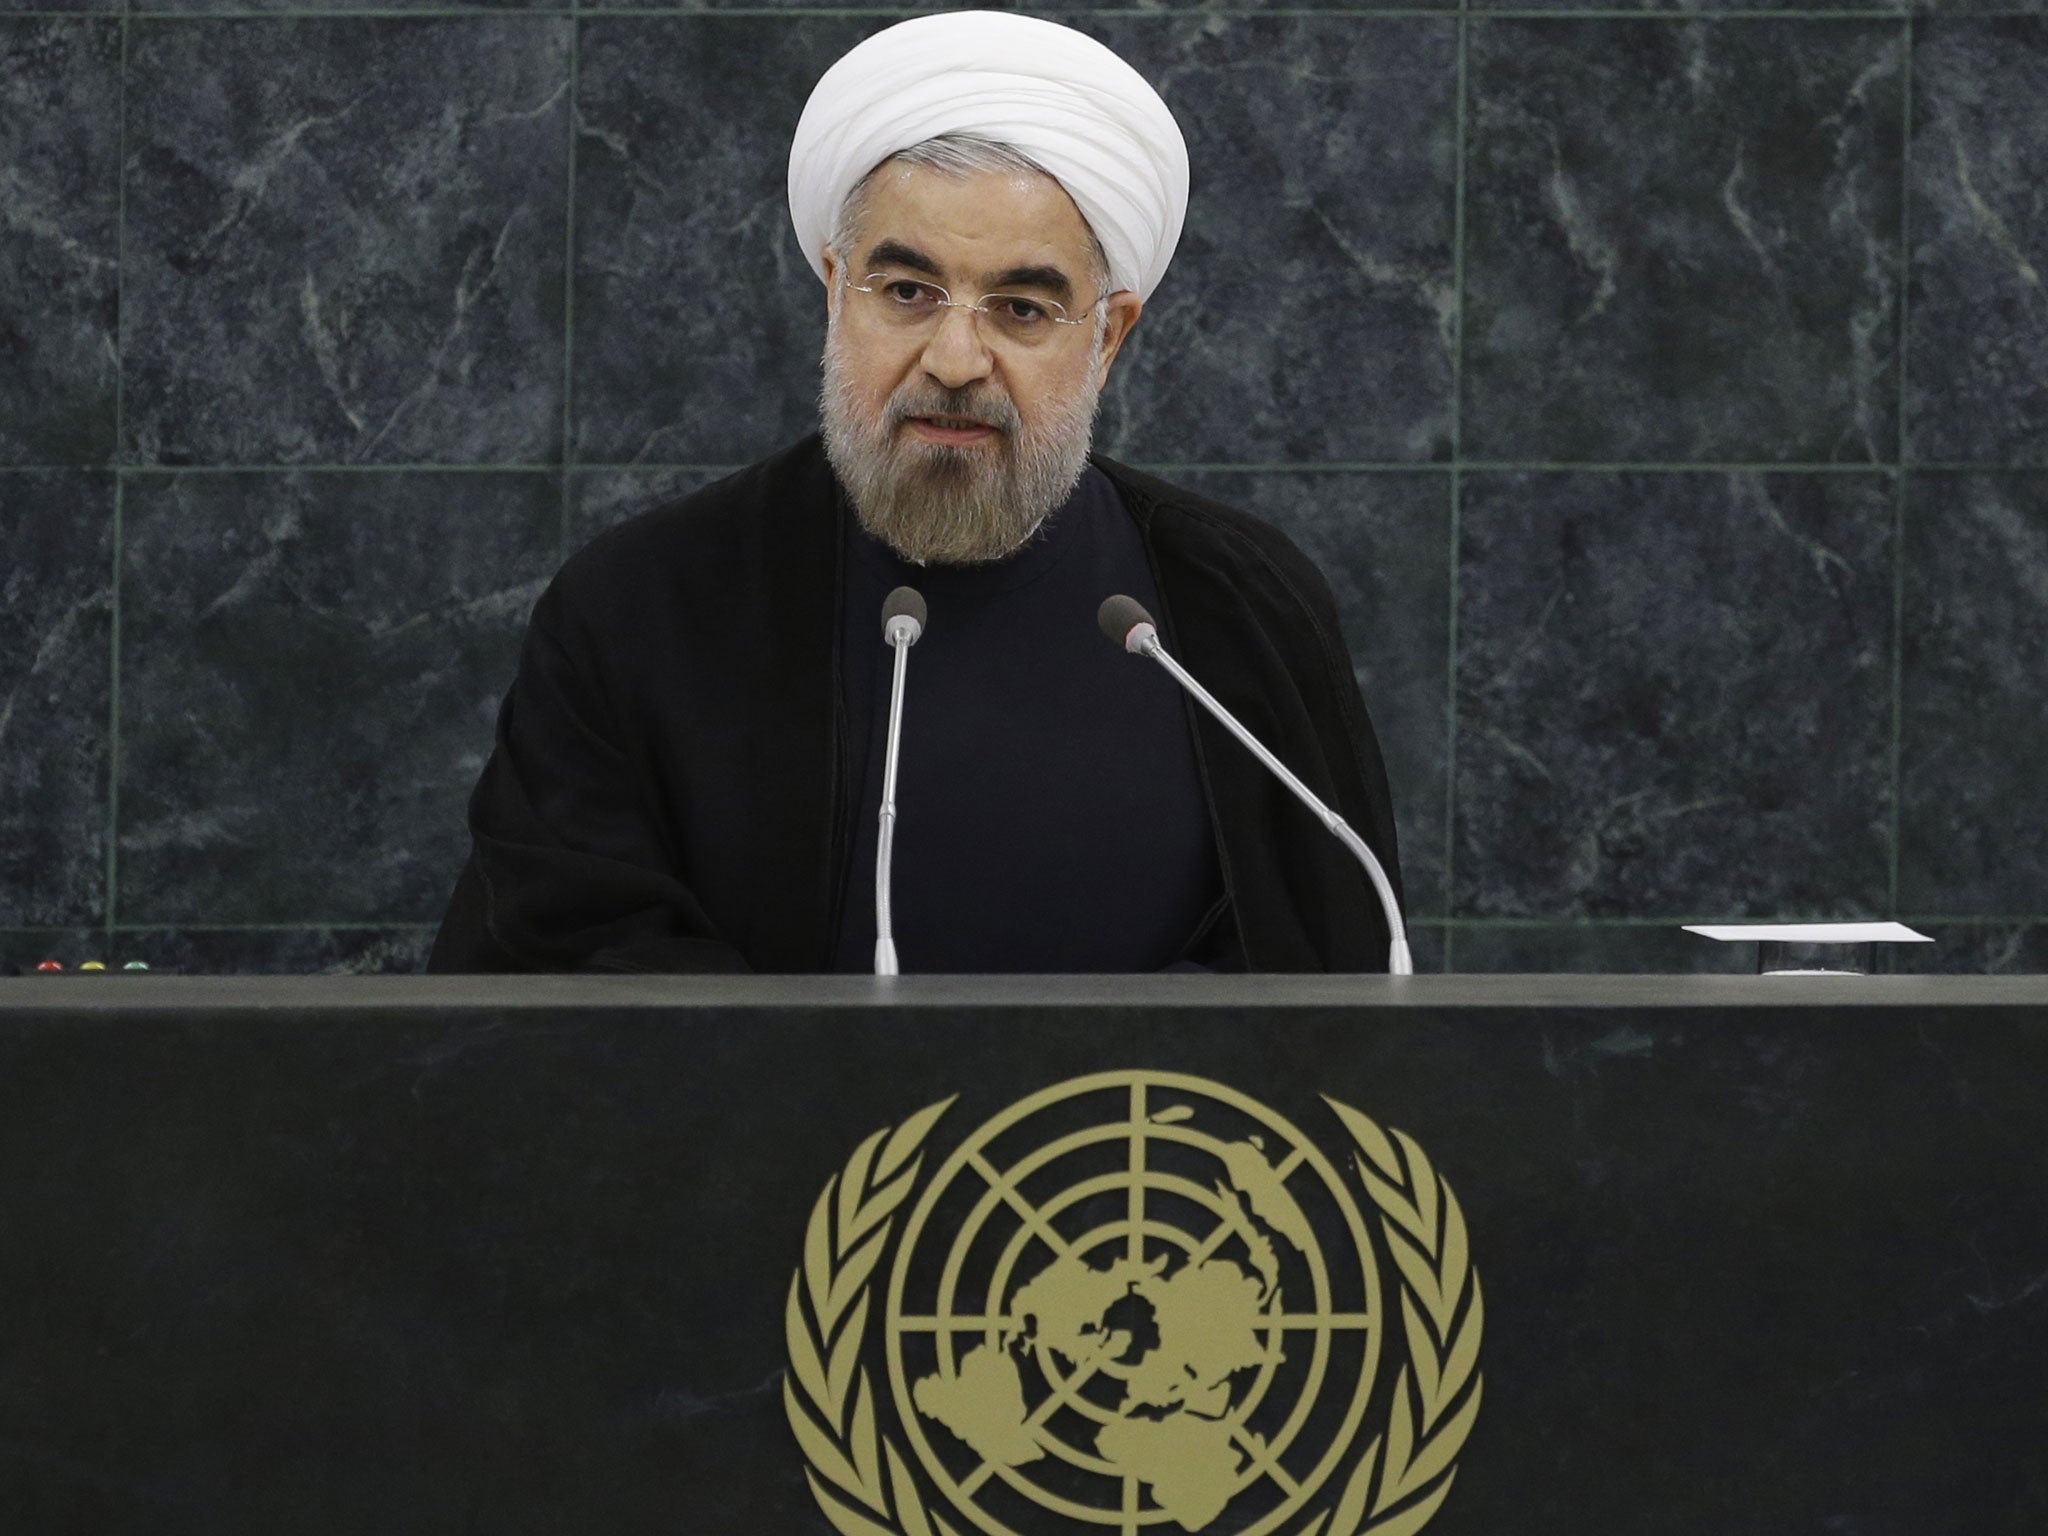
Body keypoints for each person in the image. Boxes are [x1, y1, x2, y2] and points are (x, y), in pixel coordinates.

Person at [428, 11, 1403, 975]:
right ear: (832, 287)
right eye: (905, 292)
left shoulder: (1238, 603)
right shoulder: (639, 608)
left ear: (1107, 336)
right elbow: (565, 996)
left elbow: (1322, 975)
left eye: (1020, 309)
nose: (952, 359)